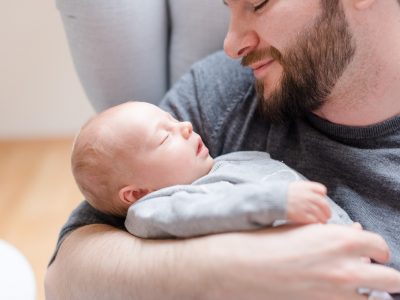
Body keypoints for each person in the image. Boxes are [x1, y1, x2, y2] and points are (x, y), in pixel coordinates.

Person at [46, 1, 400, 299]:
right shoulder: (222, 93)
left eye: (257, 3)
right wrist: (231, 264)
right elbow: (64, 274)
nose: (231, 45)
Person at [71, 101, 353, 239]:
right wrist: (276, 203)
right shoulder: (156, 210)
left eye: (173, 120)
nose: (185, 126)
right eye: (164, 137)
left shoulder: (224, 164)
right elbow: (213, 211)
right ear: (136, 193)